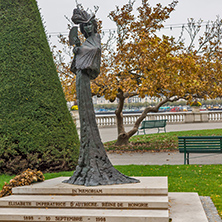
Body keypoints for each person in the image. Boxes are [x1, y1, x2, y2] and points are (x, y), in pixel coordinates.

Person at [63, 7, 139, 186]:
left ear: (94, 26)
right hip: (80, 79)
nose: (88, 29)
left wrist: (80, 51)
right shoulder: (85, 42)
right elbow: (76, 66)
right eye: (85, 27)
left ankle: (94, 160)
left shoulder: (95, 40)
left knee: (88, 116)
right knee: (83, 114)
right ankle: (86, 162)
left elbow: (94, 55)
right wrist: (76, 50)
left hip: (85, 79)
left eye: (90, 26)